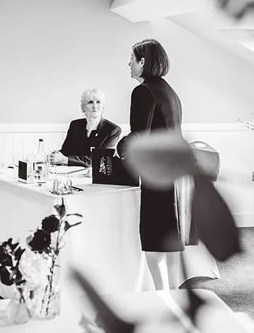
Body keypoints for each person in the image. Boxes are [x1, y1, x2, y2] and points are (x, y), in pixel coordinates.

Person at [116, 39, 185, 290]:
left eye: (132, 59)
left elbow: (139, 136)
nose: (129, 63)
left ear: (143, 62)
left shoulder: (143, 91)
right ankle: (174, 292)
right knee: (170, 235)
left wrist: (118, 150)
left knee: (153, 236)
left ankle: (161, 293)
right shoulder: (170, 91)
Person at [50, 88, 122, 168]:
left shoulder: (113, 130)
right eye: (90, 102)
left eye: (98, 102)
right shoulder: (75, 125)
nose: (95, 106)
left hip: (94, 175)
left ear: (103, 107)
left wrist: (65, 160)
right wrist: (55, 156)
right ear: (83, 107)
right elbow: (66, 151)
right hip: (71, 171)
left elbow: (100, 160)